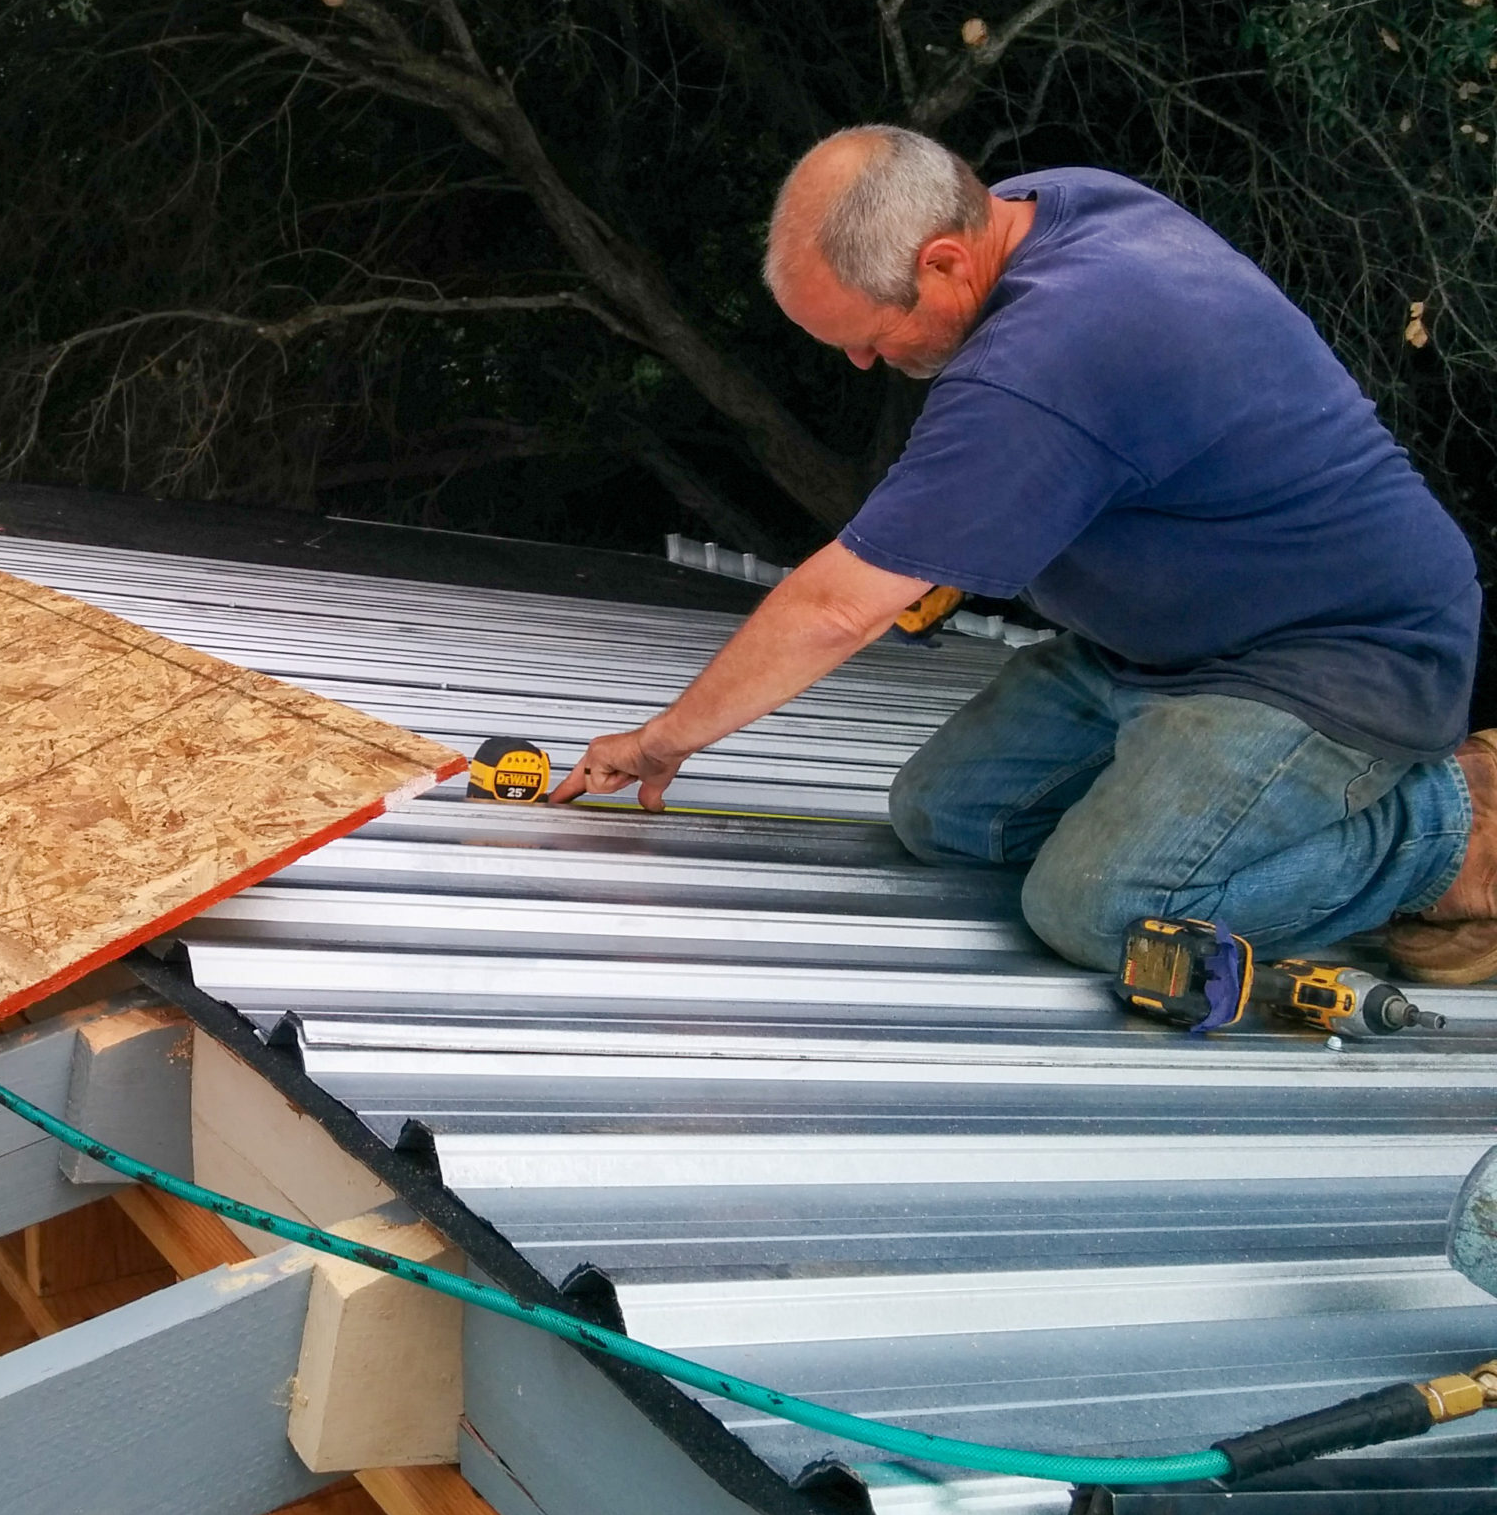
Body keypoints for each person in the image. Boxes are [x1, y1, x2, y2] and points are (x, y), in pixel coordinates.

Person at [553, 126, 1494, 986]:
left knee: (1098, 911)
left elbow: (838, 608)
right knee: (945, 817)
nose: (864, 365)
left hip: (1337, 656)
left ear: (945, 258)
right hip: (1161, 646)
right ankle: (1221, 808)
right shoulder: (1054, 203)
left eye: (872, 339)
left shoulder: (1048, 354)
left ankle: (1453, 826)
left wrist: (660, 740)